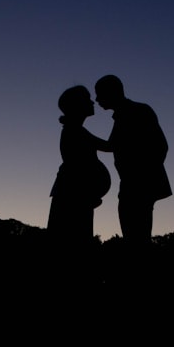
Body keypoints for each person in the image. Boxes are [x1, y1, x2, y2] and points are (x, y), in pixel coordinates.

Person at [94, 74, 172, 246]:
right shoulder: (126, 113)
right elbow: (112, 145)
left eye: (99, 94)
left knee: (137, 239)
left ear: (112, 92)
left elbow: (161, 146)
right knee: (136, 237)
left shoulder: (137, 111)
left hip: (138, 186)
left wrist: (141, 177)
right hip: (133, 185)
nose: (97, 99)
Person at [47, 85, 112, 259]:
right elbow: (109, 146)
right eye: (87, 99)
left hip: (76, 195)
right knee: (73, 245)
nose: (92, 102)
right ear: (77, 105)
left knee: (73, 243)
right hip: (73, 196)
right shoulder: (75, 131)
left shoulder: (76, 130)